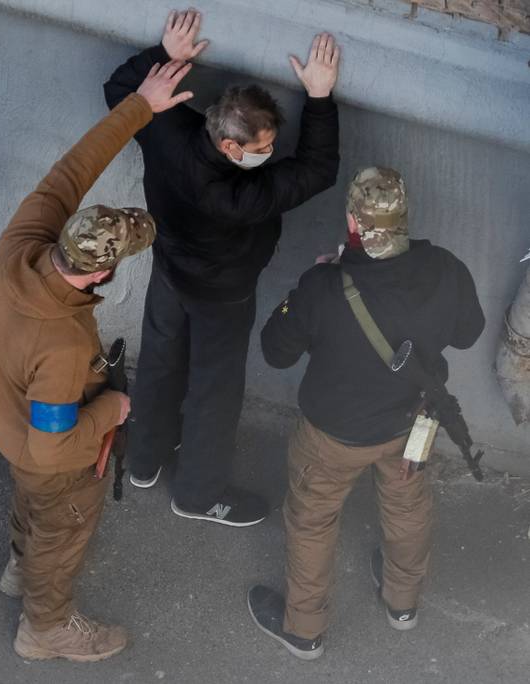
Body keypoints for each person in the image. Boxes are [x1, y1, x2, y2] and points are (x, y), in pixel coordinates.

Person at [0, 61, 195, 662]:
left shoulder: (20, 249)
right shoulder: (65, 349)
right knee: (64, 522)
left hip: (4, 420)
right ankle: (46, 626)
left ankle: (22, 569)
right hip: (49, 453)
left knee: (33, 502)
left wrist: (140, 106)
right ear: (102, 271)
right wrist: (111, 409)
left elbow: (68, 172)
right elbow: (54, 445)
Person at [104, 8, 341, 527]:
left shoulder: (164, 126)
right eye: (263, 148)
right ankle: (196, 494)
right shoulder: (244, 195)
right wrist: (320, 97)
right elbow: (318, 170)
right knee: (214, 390)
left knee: (161, 361)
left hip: (168, 271)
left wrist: (164, 55)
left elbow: (119, 90)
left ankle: (143, 459)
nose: (271, 154)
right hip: (224, 296)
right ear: (231, 146)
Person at [247, 167, 485, 660]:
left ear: (353, 223)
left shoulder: (326, 284)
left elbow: (276, 351)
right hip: (411, 423)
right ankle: (403, 602)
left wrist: (317, 286)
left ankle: (304, 629)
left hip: (332, 436)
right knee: (407, 506)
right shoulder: (446, 266)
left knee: (313, 522)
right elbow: (467, 334)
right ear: (401, 217)